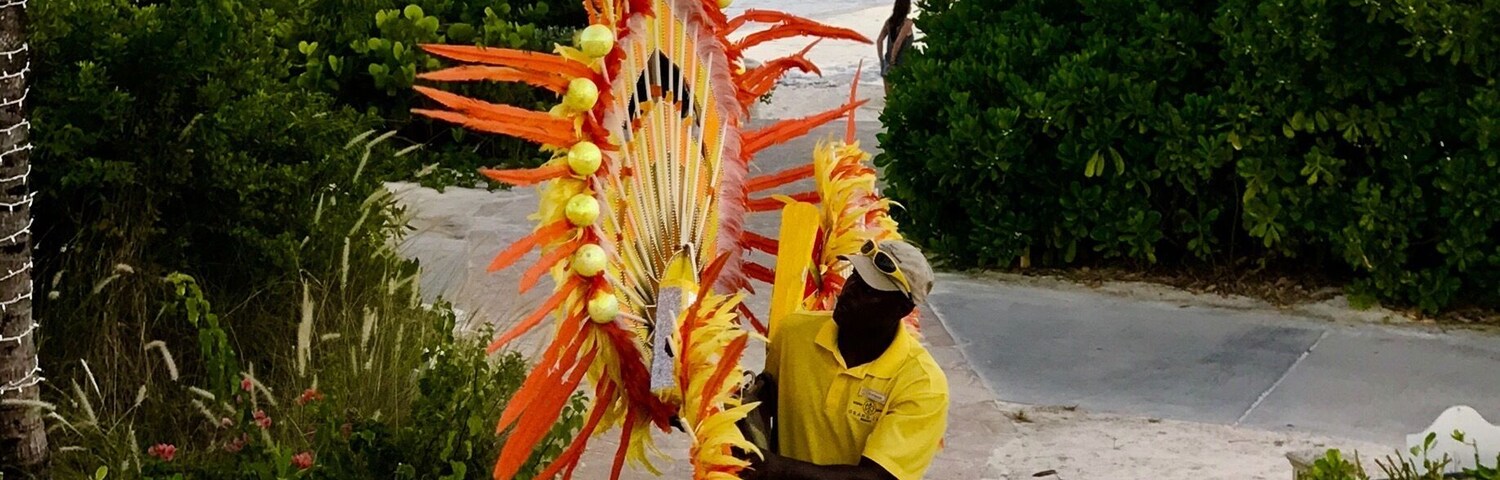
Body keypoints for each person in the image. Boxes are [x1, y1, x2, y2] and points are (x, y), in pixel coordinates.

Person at [741, 239, 948, 480]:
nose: (849, 291)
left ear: (902, 309)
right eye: (854, 277)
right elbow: (768, 397)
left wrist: (774, 469)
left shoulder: (923, 385)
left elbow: (877, 477)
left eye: (868, 290)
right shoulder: (793, 333)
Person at [876, 0, 915, 96]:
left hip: (887, 61)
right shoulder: (908, 23)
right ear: (906, 8)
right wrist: (893, 61)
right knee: (901, 98)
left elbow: (879, 41)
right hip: (902, 63)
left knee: (889, 98)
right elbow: (898, 42)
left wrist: (882, 60)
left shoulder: (889, 22)